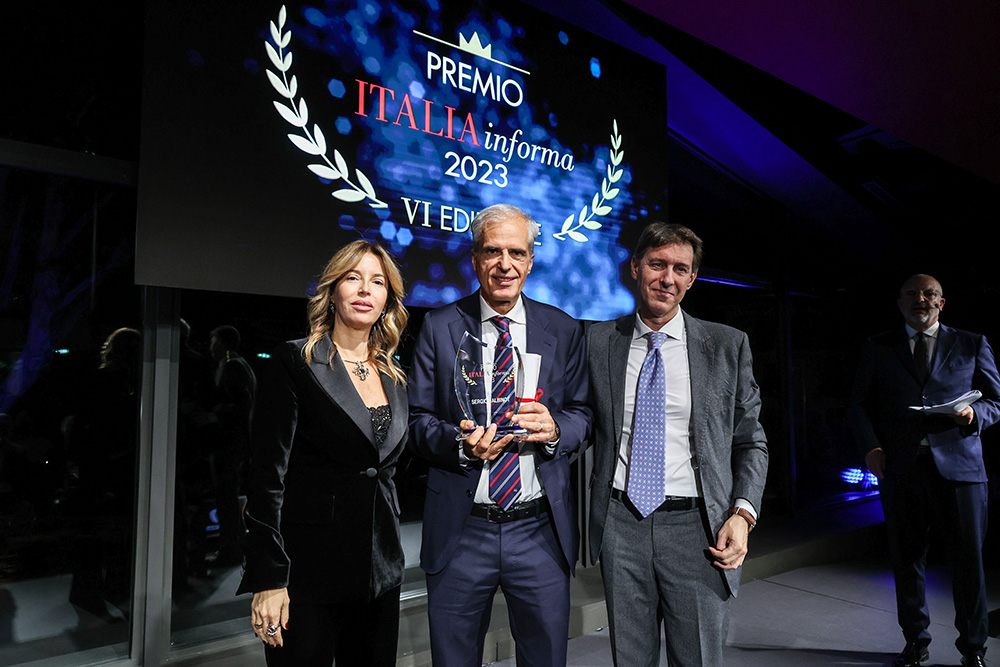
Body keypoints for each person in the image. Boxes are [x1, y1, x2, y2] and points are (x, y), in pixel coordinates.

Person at [408, 203, 592, 666]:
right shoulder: (439, 326)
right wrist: (459, 445)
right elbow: (417, 419)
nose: (505, 264)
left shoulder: (563, 329)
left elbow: (584, 414)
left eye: (517, 253)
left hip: (539, 528)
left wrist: (556, 429)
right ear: (475, 259)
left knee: (545, 658)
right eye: (493, 251)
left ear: (531, 261)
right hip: (462, 528)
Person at [587, 222, 768, 667]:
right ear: (635, 267)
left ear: (691, 278)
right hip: (621, 524)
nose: (667, 278)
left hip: (699, 529)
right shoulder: (597, 341)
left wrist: (743, 513)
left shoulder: (726, 346)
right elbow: (579, 419)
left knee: (698, 659)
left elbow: (752, 441)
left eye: (680, 269)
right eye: (657, 264)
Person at [237, 240, 409, 666]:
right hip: (306, 575)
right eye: (353, 278)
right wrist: (269, 577)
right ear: (333, 291)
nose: (365, 290)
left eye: (378, 282)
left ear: (388, 299)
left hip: (380, 575)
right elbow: (266, 478)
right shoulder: (295, 361)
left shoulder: (394, 375)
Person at [850, 274, 1000, 667]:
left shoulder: (971, 343)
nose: (921, 299)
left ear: (941, 302)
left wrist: (974, 414)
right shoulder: (878, 346)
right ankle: (915, 641)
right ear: (899, 301)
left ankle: (974, 649)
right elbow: (859, 404)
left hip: (962, 471)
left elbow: (995, 402)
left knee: (968, 563)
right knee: (907, 559)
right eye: (912, 294)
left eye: (930, 294)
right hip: (902, 468)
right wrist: (871, 447)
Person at [206, 324, 256, 565]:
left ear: (222, 343)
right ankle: (233, 547)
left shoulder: (232, 366)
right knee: (229, 496)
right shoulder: (240, 364)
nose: (210, 346)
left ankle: (230, 549)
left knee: (226, 496)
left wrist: (212, 415)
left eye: (213, 341)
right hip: (235, 442)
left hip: (229, 442)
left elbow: (240, 405)